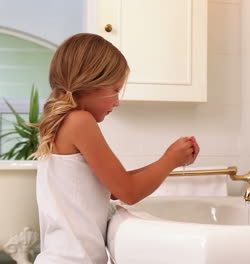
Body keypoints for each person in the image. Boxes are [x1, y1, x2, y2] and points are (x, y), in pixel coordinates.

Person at [31, 33, 200, 264]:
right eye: (115, 90)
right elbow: (128, 192)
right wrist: (169, 160)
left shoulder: (66, 122)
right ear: (89, 83)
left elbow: (113, 189)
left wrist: (172, 159)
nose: (117, 102)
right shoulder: (80, 121)